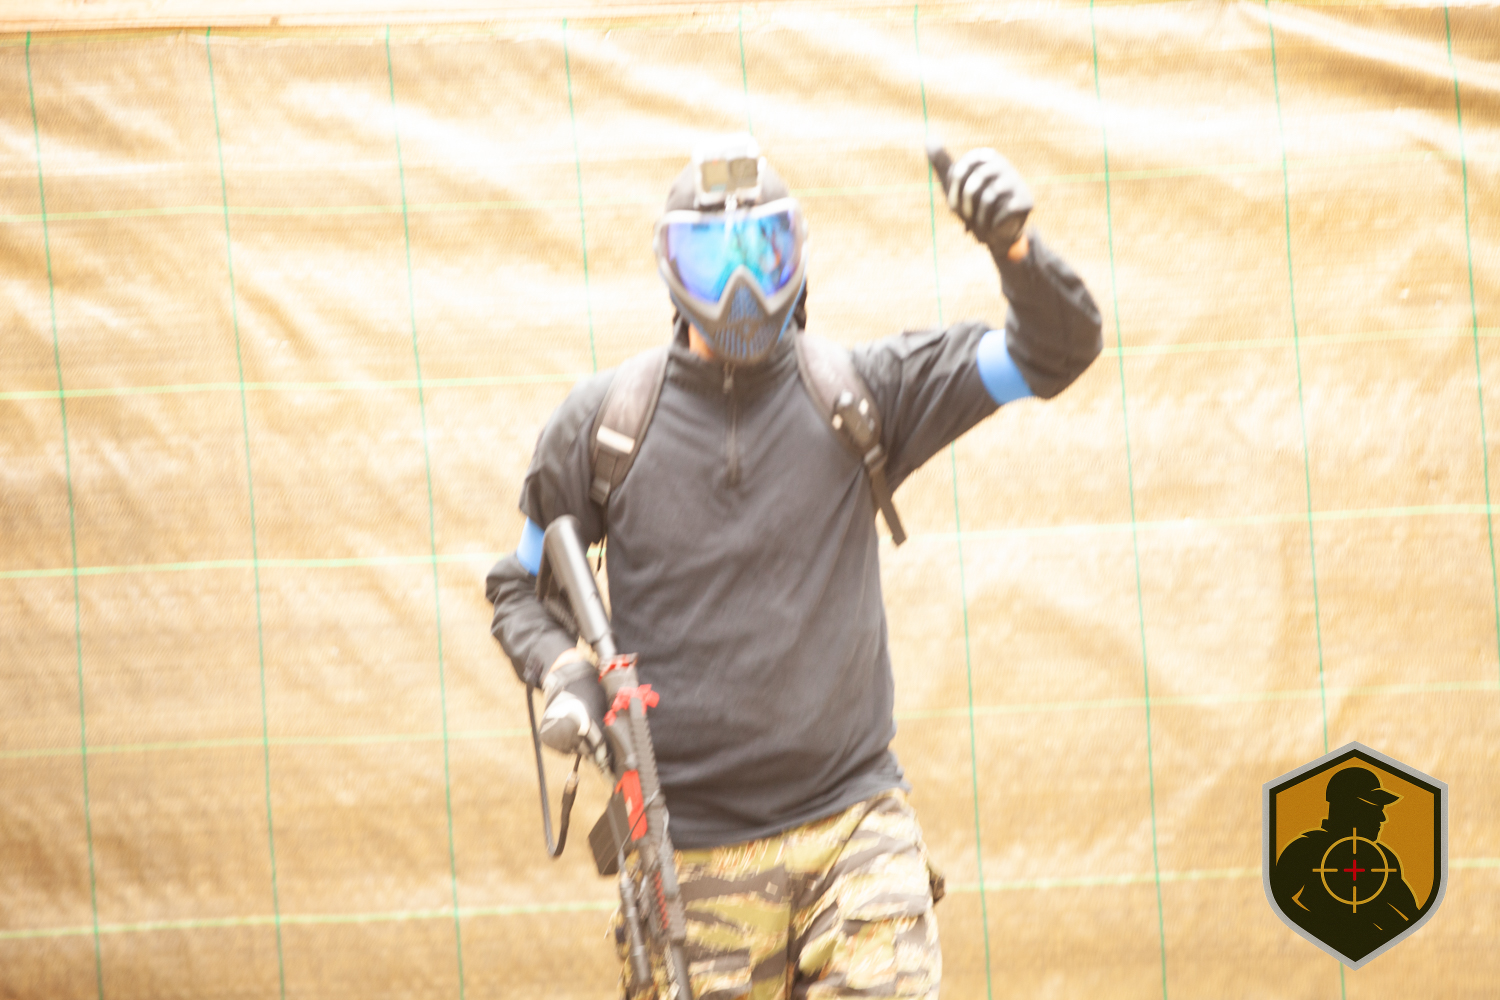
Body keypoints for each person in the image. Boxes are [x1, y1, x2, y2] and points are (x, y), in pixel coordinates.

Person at [487, 133, 1102, 999]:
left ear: (797, 256)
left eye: (762, 254)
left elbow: (1052, 352)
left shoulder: (862, 393)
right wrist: (565, 673)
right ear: (670, 271)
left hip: (855, 829)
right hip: (689, 856)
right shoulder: (604, 427)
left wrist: (1016, 250)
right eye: (713, 262)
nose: (739, 287)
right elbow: (519, 586)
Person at [1271, 767, 1423, 962]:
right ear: (1346, 805)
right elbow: (1278, 902)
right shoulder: (1307, 848)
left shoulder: (1383, 858)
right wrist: (1325, 930)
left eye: (1382, 808)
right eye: (1374, 806)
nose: (1383, 818)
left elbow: (1412, 915)